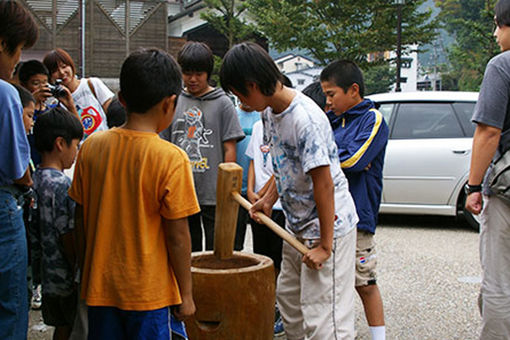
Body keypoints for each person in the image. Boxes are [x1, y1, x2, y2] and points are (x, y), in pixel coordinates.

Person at [220, 42, 358, 340]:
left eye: (239, 93)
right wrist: (267, 201)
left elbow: (324, 184)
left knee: (325, 319)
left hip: (327, 227)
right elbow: (284, 164)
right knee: (290, 305)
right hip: (296, 227)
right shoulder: (269, 112)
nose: (240, 101)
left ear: (252, 85)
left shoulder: (305, 119)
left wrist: (325, 245)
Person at [69, 48, 200, 339]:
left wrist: (86, 269)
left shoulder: (91, 148)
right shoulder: (171, 158)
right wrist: (186, 294)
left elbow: (81, 218)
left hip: (100, 289)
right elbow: (178, 235)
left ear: (121, 99)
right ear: (170, 103)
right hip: (150, 295)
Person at [320, 60, 389, 340]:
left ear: (353, 90)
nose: (327, 101)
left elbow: (356, 159)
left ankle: (378, 337)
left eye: (331, 94)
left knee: (364, 281)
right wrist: (341, 155)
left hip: (359, 215)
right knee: (330, 282)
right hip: (329, 214)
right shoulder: (330, 121)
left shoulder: (373, 119)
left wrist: (334, 155)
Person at [160, 41, 244, 252]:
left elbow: (229, 147)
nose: (193, 79)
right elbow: (165, 145)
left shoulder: (223, 103)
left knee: (218, 249)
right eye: (187, 73)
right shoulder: (175, 100)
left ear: (208, 73)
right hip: (183, 190)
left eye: (199, 73)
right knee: (188, 250)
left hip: (214, 192)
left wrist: (228, 185)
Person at [465, 1, 510, 338]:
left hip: (507, 193)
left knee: (499, 280)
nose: (495, 34)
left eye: (498, 25)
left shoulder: (502, 66)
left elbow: (488, 132)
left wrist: (474, 186)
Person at [0, 1, 38, 339]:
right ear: (2, 43)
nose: (16, 62)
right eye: (19, 50)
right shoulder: (5, 94)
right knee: (10, 303)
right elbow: (16, 168)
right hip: (2, 207)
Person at [32, 107, 83, 340]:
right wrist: (77, 267)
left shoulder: (33, 180)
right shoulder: (62, 185)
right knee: (70, 328)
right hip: (64, 278)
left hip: (44, 277)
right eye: (76, 145)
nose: (77, 152)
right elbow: (68, 234)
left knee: (59, 327)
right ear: (61, 143)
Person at [245, 118, 285, 336]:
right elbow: (253, 160)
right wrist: (251, 191)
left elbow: (281, 167)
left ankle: (278, 307)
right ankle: (267, 304)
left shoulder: (285, 125)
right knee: (263, 257)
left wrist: (264, 196)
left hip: (277, 205)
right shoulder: (259, 127)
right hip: (258, 202)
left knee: (278, 259)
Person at [43, 48, 114, 138]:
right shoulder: (57, 105)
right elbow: (76, 134)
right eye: (55, 71)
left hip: (105, 145)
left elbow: (113, 113)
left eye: (64, 66)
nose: (61, 72)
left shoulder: (92, 84)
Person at [234, 103, 260, 250]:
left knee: (260, 242)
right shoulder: (232, 114)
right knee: (234, 240)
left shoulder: (262, 117)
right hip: (235, 188)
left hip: (257, 191)